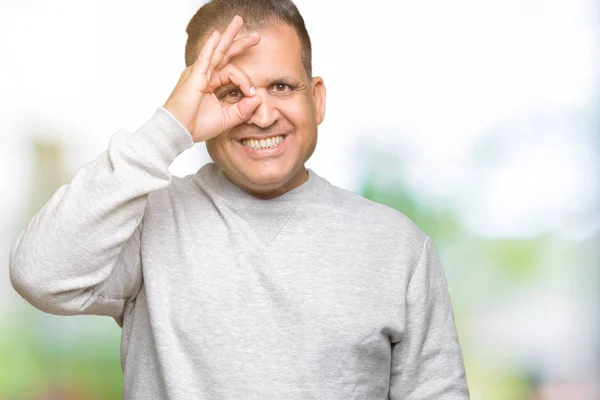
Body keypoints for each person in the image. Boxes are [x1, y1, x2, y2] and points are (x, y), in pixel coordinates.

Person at [8, 0, 470, 399]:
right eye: (232, 93)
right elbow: (40, 275)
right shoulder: (146, 222)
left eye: (282, 87)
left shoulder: (397, 248)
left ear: (318, 99)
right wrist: (168, 129)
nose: (262, 114)